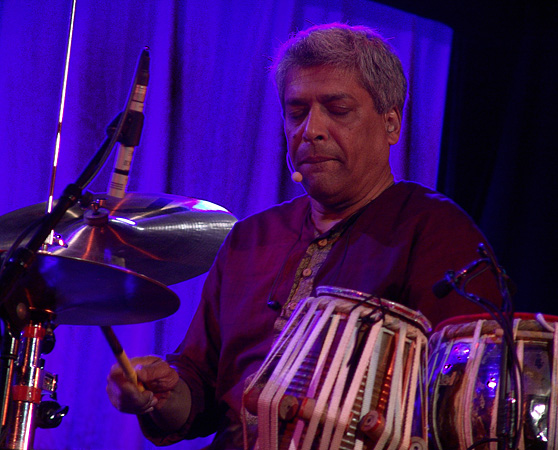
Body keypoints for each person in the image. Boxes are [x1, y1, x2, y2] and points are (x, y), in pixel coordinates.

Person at [106, 23, 502, 449]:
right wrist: (159, 396)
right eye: (296, 113)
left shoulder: (434, 230)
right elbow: (199, 384)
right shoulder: (252, 238)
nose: (310, 130)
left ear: (391, 125)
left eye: (337, 109)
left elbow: (468, 399)